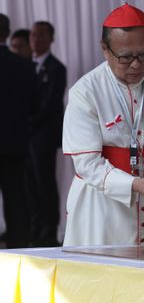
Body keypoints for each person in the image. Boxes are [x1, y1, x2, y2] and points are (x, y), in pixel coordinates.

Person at [62, 4, 144, 246]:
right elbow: (87, 163)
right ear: (105, 49)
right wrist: (132, 184)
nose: (136, 65)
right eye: (125, 57)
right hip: (100, 208)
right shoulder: (86, 91)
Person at [27, 20, 67, 246]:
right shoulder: (25, 65)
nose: (36, 39)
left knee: (45, 185)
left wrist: (26, 122)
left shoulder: (56, 67)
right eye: (33, 35)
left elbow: (50, 104)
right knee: (29, 185)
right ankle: (34, 228)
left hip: (43, 137)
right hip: (26, 138)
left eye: (42, 35)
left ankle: (49, 231)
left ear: (51, 39)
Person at [0, 14, 36, 248]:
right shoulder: (24, 65)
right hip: (14, 144)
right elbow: (34, 104)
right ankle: (17, 249)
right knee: (16, 200)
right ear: (7, 32)